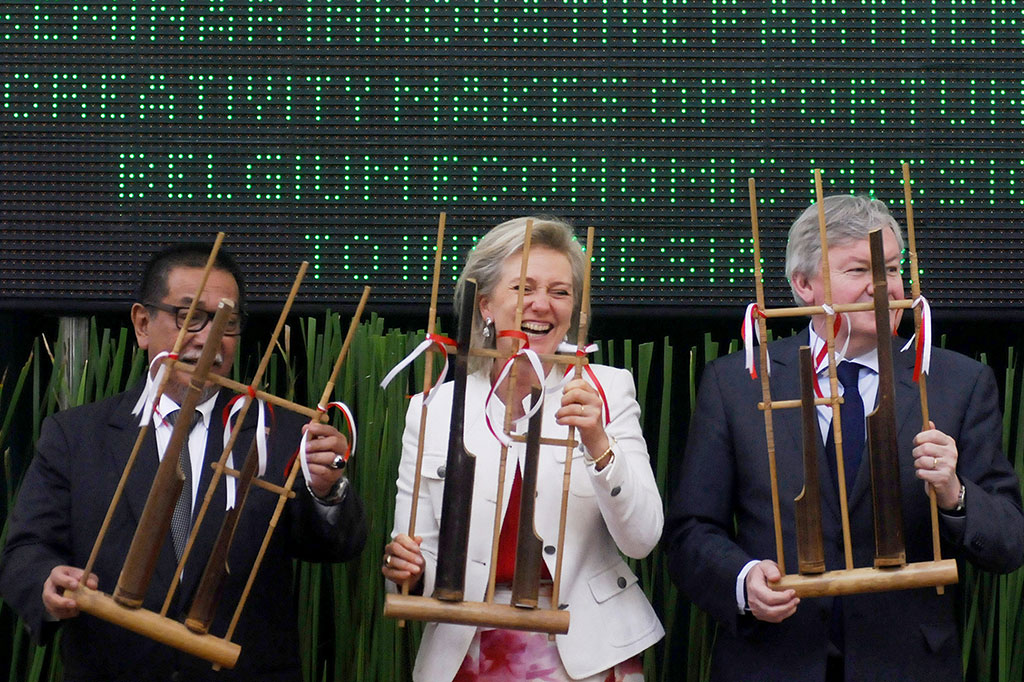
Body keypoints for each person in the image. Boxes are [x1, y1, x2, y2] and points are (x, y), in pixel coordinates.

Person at [665, 194, 1024, 681]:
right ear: (804, 285)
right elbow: (690, 533)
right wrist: (742, 580)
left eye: (893, 270)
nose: (885, 287)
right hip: (773, 661)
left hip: (906, 665)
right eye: (860, 271)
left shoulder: (957, 383)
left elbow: (1009, 543)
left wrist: (954, 494)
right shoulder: (738, 382)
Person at [0, 243, 367, 681]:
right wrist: (46, 582)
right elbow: (25, 551)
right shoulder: (76, 436)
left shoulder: (280, 433)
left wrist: (326, 491)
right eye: (188, 317)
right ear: (142, 323)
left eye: (226, 324)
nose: (207, 338)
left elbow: (336, 546)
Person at [382, 217, 664, 682]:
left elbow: (642, 538)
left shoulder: (607, 389)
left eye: (560, 292)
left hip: (587, 649)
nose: (542, 305)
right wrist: (404, 568)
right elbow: (418, 565)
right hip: (467, 649)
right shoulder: (435, 408)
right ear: (487, 305)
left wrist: (598, 442)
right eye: (523, 288)